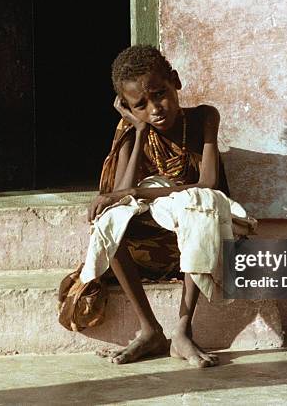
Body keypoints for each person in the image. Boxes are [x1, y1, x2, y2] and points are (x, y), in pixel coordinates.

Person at [86, 45, 238, 368]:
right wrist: (138, 132)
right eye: (140, 105)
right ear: (127, 108)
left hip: (206, 245)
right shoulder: (132, 131)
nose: (154, 108)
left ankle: (182, 330)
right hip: (152, 249)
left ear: (175, 81)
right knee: (109, 221)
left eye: (159, 94)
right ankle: (150, 329)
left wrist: (144, 192)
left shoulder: (203, 118)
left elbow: (208, 183)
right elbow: (122, 195)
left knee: (199, 206)